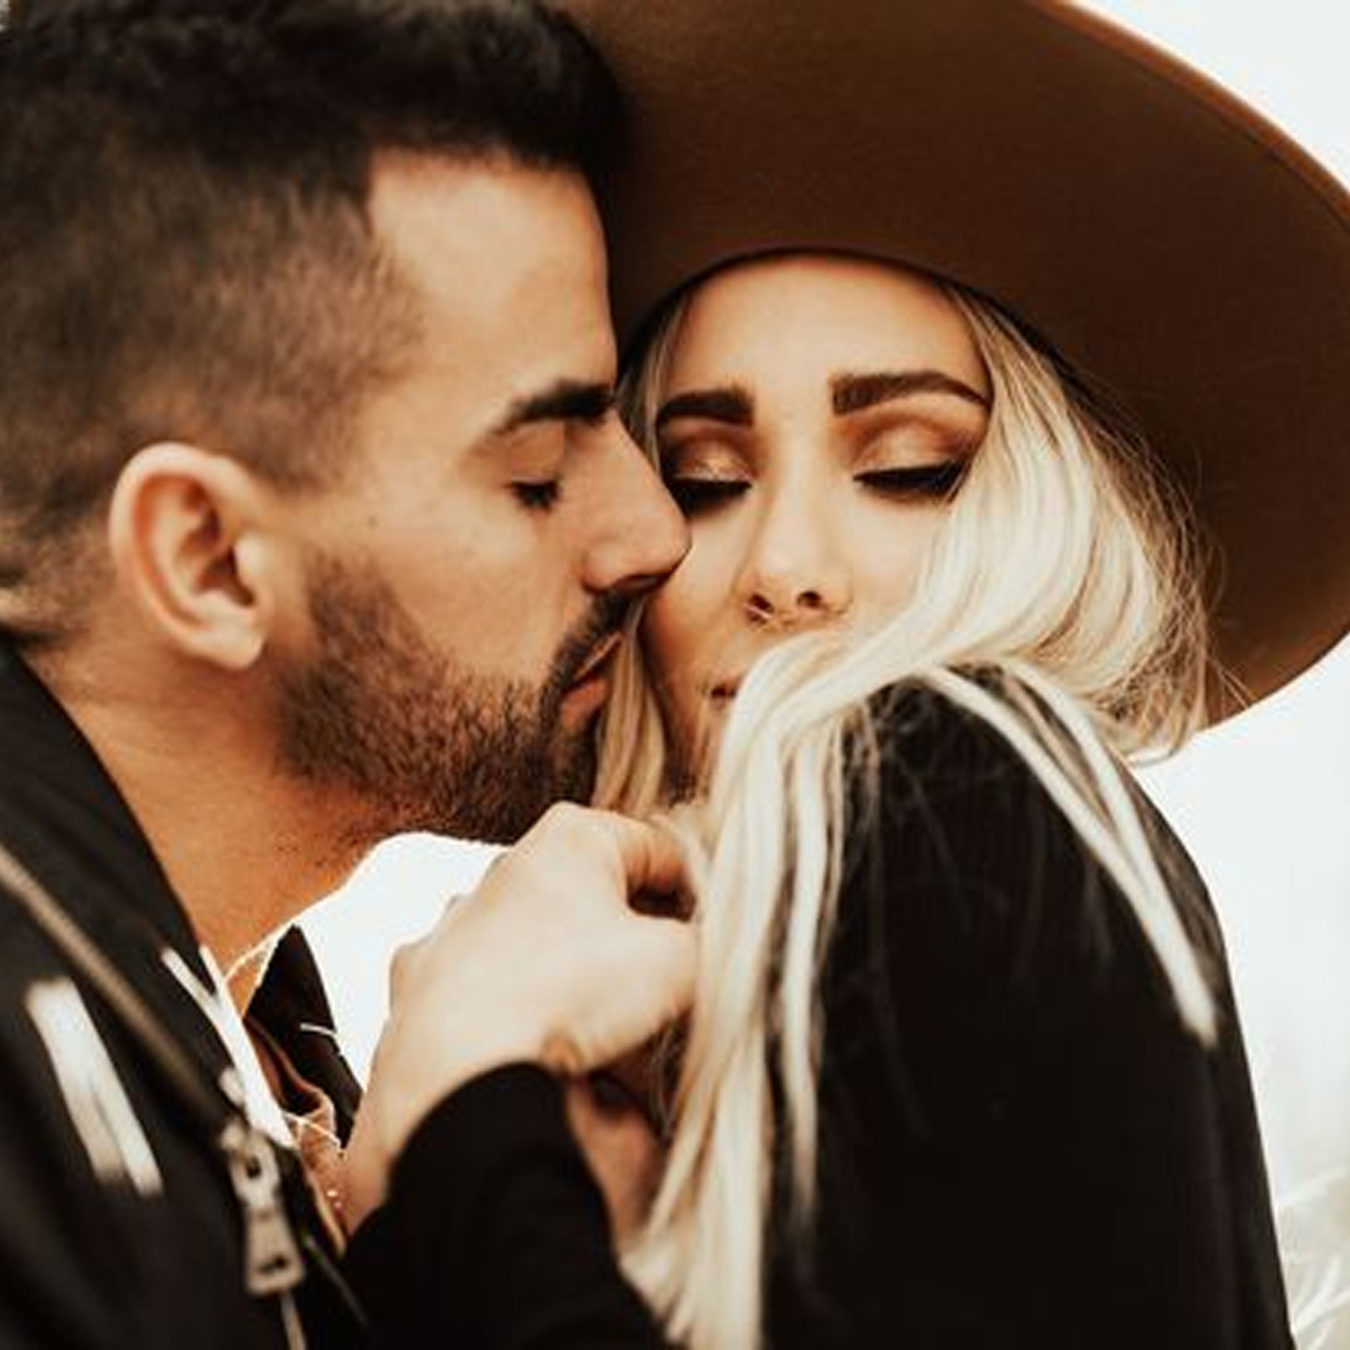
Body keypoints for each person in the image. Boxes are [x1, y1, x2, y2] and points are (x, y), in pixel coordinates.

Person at [337, 0, 1350, 1345]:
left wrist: (463, 1116)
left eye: (908, 468)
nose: (787, 566)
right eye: (704, 478)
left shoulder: (952, 763)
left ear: (1039, 507)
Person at [0, 1, 694, 1343]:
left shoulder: (252, 1055)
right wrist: (483, 1172)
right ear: (208, 561)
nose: (652, 529)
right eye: (535, 473)